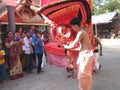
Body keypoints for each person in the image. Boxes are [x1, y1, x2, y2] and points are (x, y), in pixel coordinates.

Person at [64, 17, 94, 90]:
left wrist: (65, 46)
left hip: (85, 56)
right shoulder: (82, 32)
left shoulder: (81, 33)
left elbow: (73, 44)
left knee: (83, 76)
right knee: (83, 75)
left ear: (76, 25)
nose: (72, 28)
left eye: (72, 26)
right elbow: (82, 46)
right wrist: (71, 48)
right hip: (85, 55)